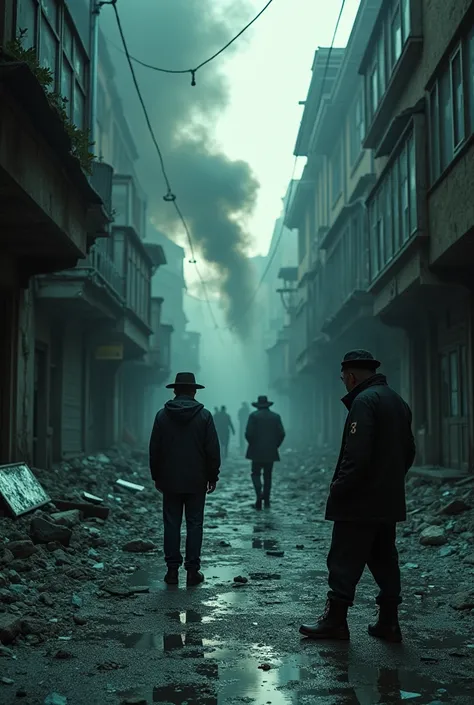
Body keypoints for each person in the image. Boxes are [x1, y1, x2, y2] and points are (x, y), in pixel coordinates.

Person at [300, 350, 416, 642]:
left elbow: (356, 454)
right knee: (384, 557)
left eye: (343, 379)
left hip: (358, 500)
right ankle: (389, 623)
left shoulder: (364, 402)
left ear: (351, 376)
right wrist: (390, 480)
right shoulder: (397, 401)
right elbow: (410, 449)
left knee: (343, 559)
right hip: (387, 498)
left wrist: (339, 487)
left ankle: (335, 621)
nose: (344, 384)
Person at [149, 372, 221, 587]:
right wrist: (212, 475)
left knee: (171, 524)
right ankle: (192, 571)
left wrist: (157, 476)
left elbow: (155, 450)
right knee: (195, 524)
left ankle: (172, 571)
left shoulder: (162, 415)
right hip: (196, 479)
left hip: (169, 479)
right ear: (194, 391)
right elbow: (212, 450)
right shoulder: (205, 416)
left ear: (175, 390)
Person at [245, 395, 285, 510]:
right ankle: (266, 500)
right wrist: (275, 445)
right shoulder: (275, 417)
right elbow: (281, 433)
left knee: (255, 473)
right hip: (270, 451)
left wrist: (253, 444)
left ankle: (259, 494)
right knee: (268, 476)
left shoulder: (253, 416)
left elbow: (248, 433)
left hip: (256, 451)